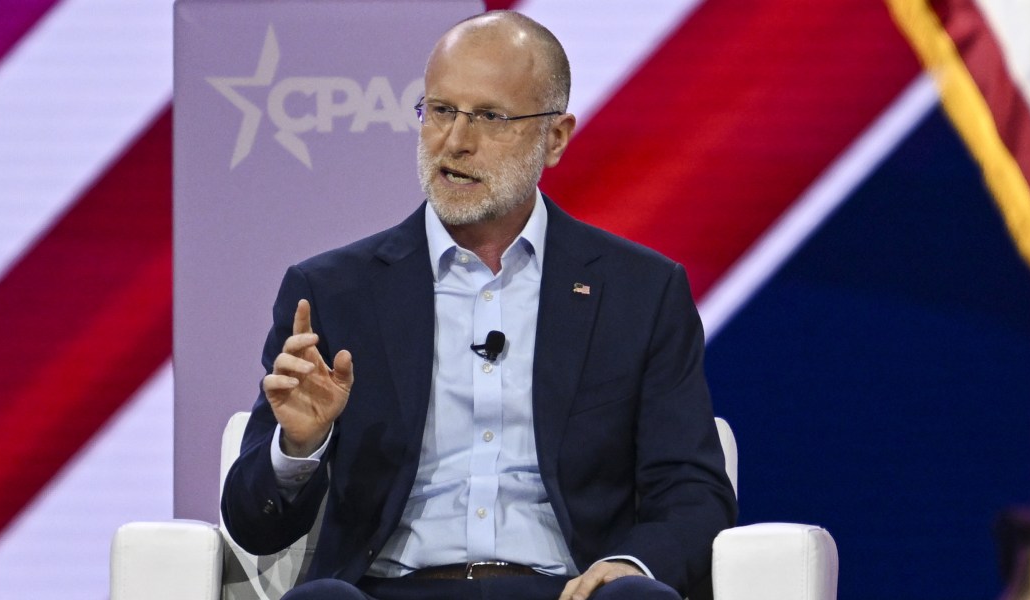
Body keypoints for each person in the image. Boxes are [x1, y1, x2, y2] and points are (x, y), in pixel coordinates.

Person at [220, 10, 737, 600]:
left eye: (491, 117)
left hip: (570, 589)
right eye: (441, 110)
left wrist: (630, 565)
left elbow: (693, 489)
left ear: (556, 138)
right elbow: (254, 526)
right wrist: (299, 448)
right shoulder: (333, 292)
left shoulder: (639, 291)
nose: (456, 142)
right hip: (389, 589)